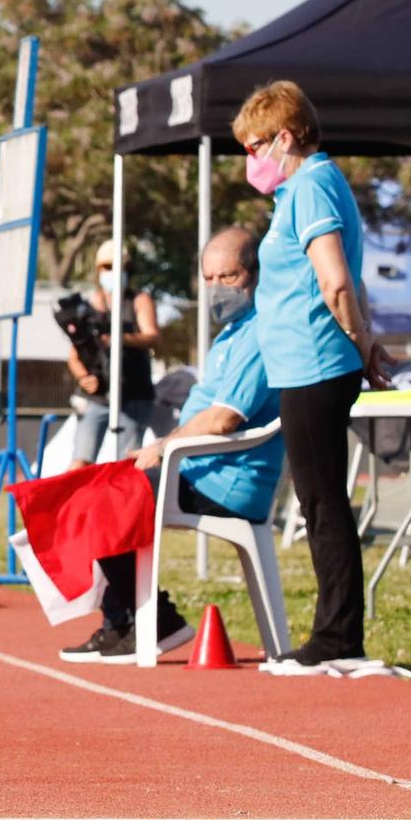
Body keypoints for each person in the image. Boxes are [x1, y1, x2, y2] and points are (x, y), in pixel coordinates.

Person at [60, 228, 284, 663]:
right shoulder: (233, 334)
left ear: (255, 277)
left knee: (103, 499)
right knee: (94, 486)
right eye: (209, 278)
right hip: (196, 470)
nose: (217, 288)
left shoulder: (260, 334)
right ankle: (124, 623)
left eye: (229, 277)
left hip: (225, 484)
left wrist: (163, 446)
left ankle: (154, 623)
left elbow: (225, 418)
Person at [237, 80, 390, 668]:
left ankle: (337, 637)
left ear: (285, 136)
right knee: (319, 500)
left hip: (315, 363)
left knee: (323, 502)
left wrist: (357, 339)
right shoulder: (307, 188)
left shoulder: (311, 186)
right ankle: (335, 631)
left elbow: (335, 279)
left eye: (255, 148)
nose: (250, 161)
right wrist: (368, 341)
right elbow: (347, 278)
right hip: (307, 362)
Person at [68, 239, 162, 464]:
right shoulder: (88, 305)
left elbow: (153, 337)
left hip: (134, 395)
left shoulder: (138, 300)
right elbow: (73, 356)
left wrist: (120, 338)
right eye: (108, 267)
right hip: (97, 398)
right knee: (80, 463)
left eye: (119, 267)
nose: (113, 272)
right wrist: (83, 377)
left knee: (126, 465)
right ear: (99, 270)